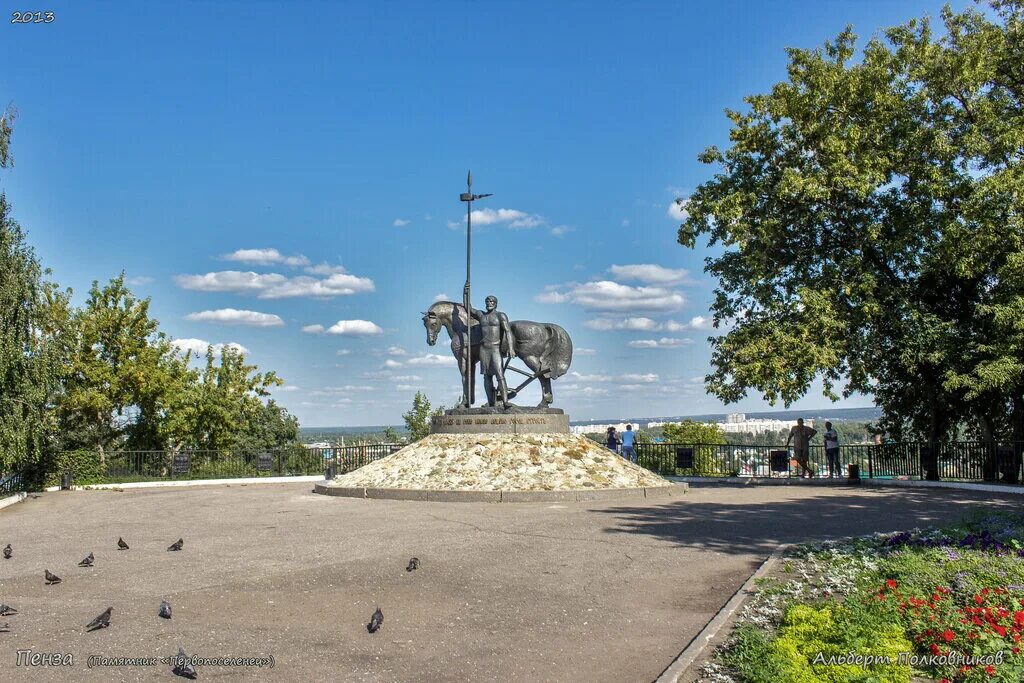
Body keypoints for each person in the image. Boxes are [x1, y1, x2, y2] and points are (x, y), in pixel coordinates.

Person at [464, 287, 515, 409]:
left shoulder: (500, 315)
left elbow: (508, 331)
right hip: (484, 349)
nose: (488, 303)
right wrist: (465, 292)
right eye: (487, 301)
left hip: (495, 348)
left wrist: (511, 347)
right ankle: (491, 403)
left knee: (500, 374)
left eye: (491, 301)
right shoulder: (481, 315)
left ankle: (505, 402)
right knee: (487, 376)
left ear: (495, 303)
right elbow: (468, 308)